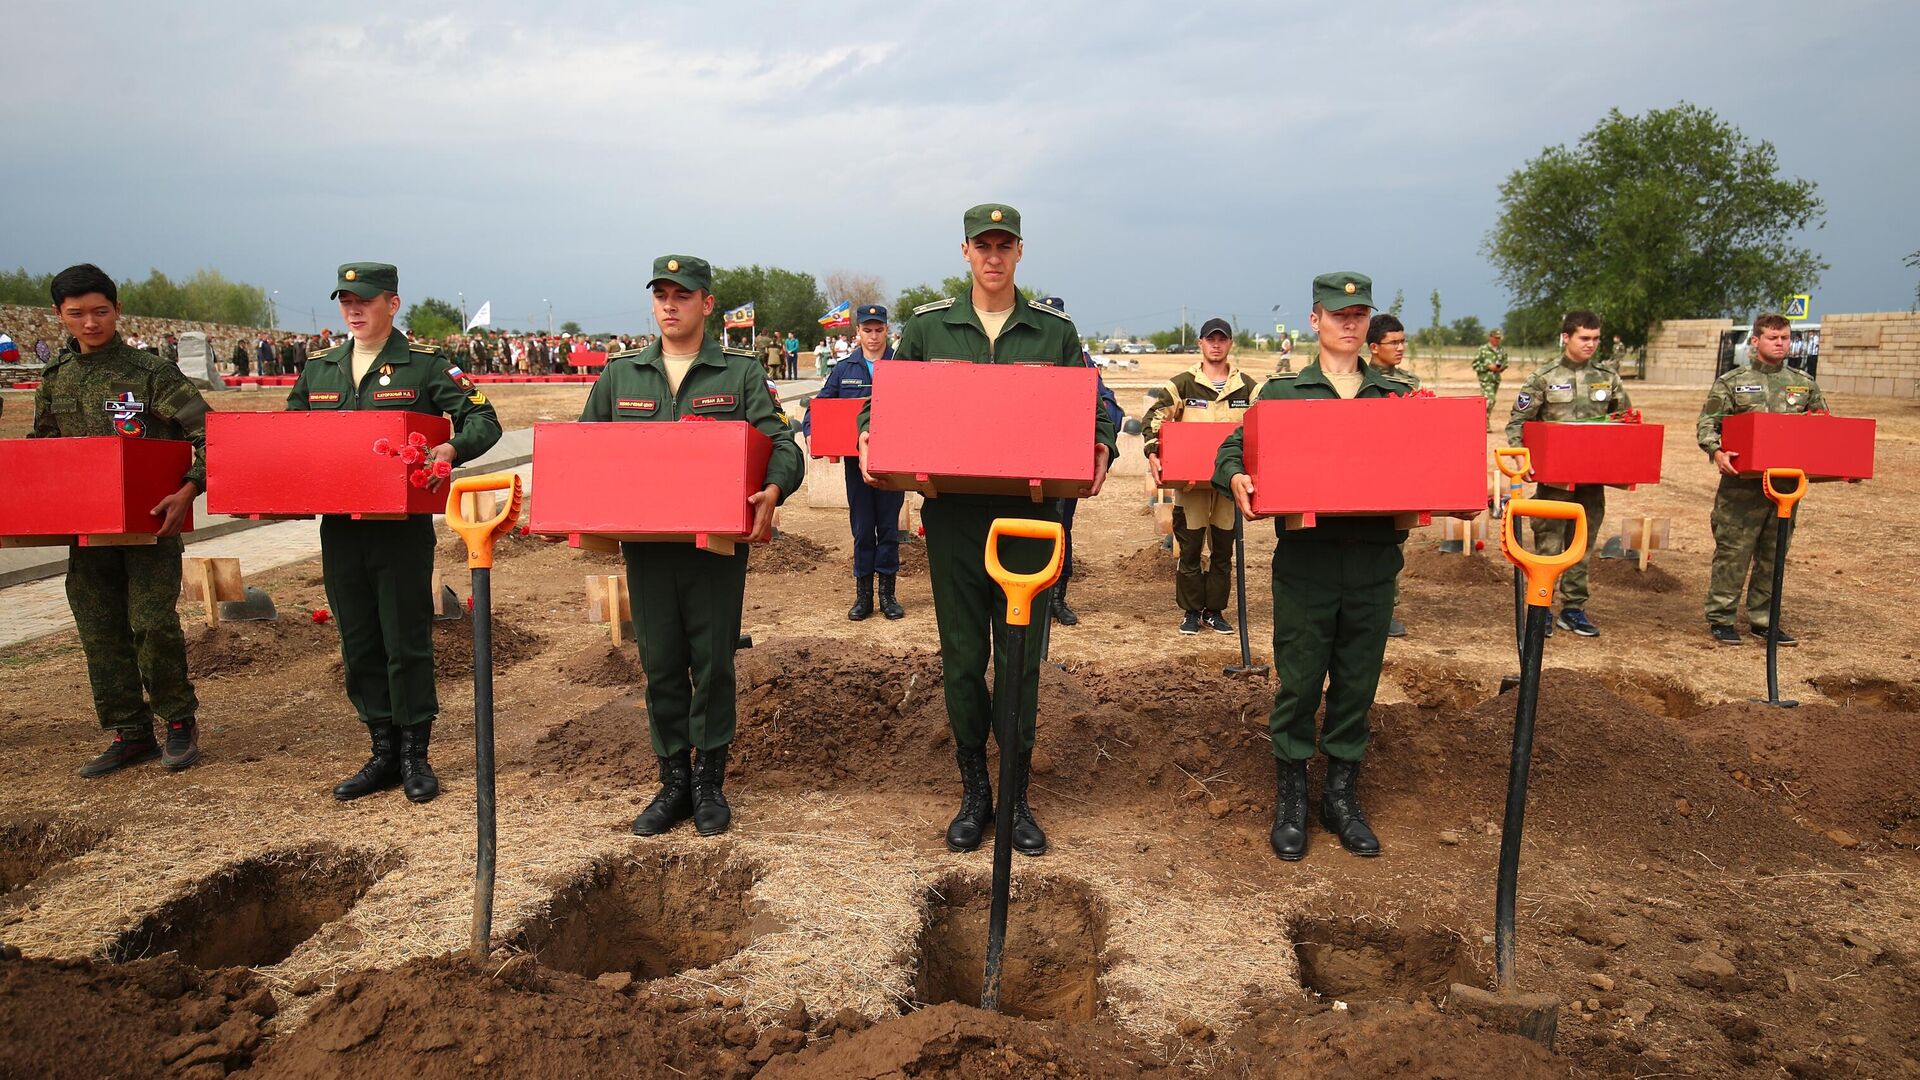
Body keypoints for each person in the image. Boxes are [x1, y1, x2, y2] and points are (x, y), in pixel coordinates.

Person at [858, 204, 1116, 857]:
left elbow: (1095, 405)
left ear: (1020, 252)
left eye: (1004, 246)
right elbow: (883, 399)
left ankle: (1019, 800)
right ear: (967, 252)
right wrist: (868, 434)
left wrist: (1102, 448)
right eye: (983, 246)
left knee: (1024, 664)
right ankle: (975, 794)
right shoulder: (926, 328)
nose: (993, 257)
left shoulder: (1054, 332)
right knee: (966, 662)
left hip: (1030, 519)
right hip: (954, 519)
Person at [581, 255, 802, 838]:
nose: (670, 304)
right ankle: (673, 780)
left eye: (683, 294)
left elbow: (784, 444)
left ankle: (710, 782)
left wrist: (774, 489)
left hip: (716, 548)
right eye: (661, 294)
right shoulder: (620, 376)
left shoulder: (741, 373)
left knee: (713, 664)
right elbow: (587, 451)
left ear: (707, 304)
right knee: (659, 664)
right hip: (648, 546)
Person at [288, 263, 502, 805]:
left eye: (364, 300)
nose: (353, 310)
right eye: (345, 301)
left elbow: (484, 421)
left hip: (401, 528)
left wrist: (450, 449)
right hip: (340, 527)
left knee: (405, 639)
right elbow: (291, 432)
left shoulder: (427, 365)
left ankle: (414, 755)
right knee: (358, 638)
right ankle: (380, 750)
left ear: (392, 303)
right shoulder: (320, 369)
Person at [1215, 272, 1410, 861]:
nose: (1349, 323)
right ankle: (1293, 796)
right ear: (1315, 320)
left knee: (1357, 681)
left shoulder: (1396, 396)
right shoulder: (1281, 394)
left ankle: (1342, 798)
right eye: (1337, 313)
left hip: (1376, 558)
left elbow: (1427, 454)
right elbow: (1230, 449)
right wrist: (1236, 476)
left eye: (1358, 315)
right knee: (1300, 680)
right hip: (1308, 559)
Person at [30, 263, 207, 776]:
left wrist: (187, 491)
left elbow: (210, 436)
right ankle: (129, 733)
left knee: (151, 625)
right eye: (77, 314)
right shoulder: (55, 381)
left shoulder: (151, 374)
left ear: (117, 310)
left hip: (151, 524)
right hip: (87, 531)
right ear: (60, 317)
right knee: (100, 630)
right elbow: (46, 452)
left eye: (100, 311)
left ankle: (177, 721)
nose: (90, 323)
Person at [1696, 312, 1829, 646]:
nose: (1780, 343)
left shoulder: (1803, 384)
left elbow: (1824, 429)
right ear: (1755, 341)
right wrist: (1716, 451)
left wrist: (1841, 467)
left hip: (1784, 486)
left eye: (1785, 337)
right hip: (1742, 486)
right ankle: (1721, 618)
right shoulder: (1731, 382)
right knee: (1733, 552)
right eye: (1773, 337)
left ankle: (1763, 620)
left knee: (1774, 553)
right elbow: (1708, 424)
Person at [1503, 310, 1629, 638]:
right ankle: (1541, 608)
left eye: (1596, 339)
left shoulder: (1608, 378)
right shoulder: (1543, 377)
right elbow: (1518, 422)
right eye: (1584, 338)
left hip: (1591, 479)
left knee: (1582, 544)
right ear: (1566, 337)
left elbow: (1626, 422)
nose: (1591, 345)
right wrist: (1522, 459)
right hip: (1554, 481)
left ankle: (1573, 609)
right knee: (1549, 543)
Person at [1142, 317, 1254, 635]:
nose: (1216, 344)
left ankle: (1214, 611)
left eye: (1222, 339)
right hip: (1190, 483)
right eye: (1210, 339)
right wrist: (1153, 450)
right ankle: (1191, 611)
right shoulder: (1182, 384)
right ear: (1200, 344)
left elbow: (1264, 423)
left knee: (1222, 550)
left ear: (1230, 344)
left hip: (1228, 483)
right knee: (1190, 548)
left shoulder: (1248, 386)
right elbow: (1155, 417)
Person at [1029, 296, 1125, 627]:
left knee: (1060, 528)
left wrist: (1093, 434)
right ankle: (1028, 595)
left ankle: (1056, 596)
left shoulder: (1080, 360)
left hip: (1065, 461)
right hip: (1025, 459)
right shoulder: (1024, 355)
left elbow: (1108, 406)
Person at [809, 304, 906, 621]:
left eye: (879, 330)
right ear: (858, 333)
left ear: (887, 332)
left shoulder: (901, 364)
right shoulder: (843, 368)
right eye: (868, 330)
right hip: (856, 461)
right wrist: (812, 432)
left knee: (888, 528)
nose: (874, 336)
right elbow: (820, 406)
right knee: (864, 528)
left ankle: (888, 596)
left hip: (894, 461)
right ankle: (863, 596)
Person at [1366, 313, 1416, 637]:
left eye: (1402, 341)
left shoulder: (1409, 384)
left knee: (1395, 545)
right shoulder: (1358, 380)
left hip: (1397, 476)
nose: (1399, 348)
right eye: (1392, 342)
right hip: (1365, 472)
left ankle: (1386, 608)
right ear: (1373, 347)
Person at [1471, 329, 1508, 433]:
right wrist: (1487, 366)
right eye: (1495, 338)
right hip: (1485, 379)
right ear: (1490, 337)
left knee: (1490, 402)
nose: (1497, 340)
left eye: (1499, 338)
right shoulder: (1483, 350)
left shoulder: (1501, 350)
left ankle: (1484, 421)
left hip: (1495, 379)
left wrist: (1500, 368)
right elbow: (1475, 365)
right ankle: (1483, 423)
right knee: (1490, 400)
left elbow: (1506, 363)